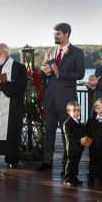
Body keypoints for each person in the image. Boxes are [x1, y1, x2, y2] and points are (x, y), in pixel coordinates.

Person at [38, 23, 85, 172]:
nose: (55, 36)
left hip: (67, 100)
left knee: (67, 133)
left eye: (57, 34)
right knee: (49, 130)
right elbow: (46, 71)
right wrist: (45, 71)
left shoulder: (77, 52)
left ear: (66, 34)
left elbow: (80, 74)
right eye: (54, 34)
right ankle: (47, 161)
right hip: (50, 98)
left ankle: (67, 163)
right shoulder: (50, 51)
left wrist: (59, 73)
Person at [62, 101, 85, 187]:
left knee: (76, 164)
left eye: (78, 111)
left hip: (79, 147)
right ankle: (67, 179)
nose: (77, 113)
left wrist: (84, 137)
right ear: (68, 112)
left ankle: (74, 178)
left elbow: (82, 132)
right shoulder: (67, 123)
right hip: (72, 148)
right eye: (74, 111)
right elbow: (69, 136)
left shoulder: (80, 122)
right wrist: (80, 139)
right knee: (70, 163)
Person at [85, 98, 102, 186]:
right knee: (93, 161)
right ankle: (92, 177)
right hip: (93, 146)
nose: (101, 110)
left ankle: (101, 176)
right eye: (99, 108)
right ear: (95, 109)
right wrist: (87, 145)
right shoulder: (90, 121)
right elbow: (87, 133)